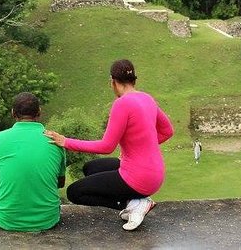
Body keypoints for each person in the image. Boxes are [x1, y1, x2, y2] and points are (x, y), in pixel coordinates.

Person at [44, 59, 174, 231]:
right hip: (155, 173)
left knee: (75, 192)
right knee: (90, 168)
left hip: (139, 178)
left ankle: (133, 203)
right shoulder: (146, 98)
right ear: (134, 80)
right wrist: (138, 149)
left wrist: (66, 142)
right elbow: (167, 131)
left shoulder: (122, 104)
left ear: (112, 81)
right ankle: (136, 200)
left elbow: (106, 146)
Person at [0, 92, 66, 232]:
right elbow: (60, 183)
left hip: (7, 220)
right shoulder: (55, 140)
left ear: (13, 113)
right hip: (48, 219)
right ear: (39, 112)